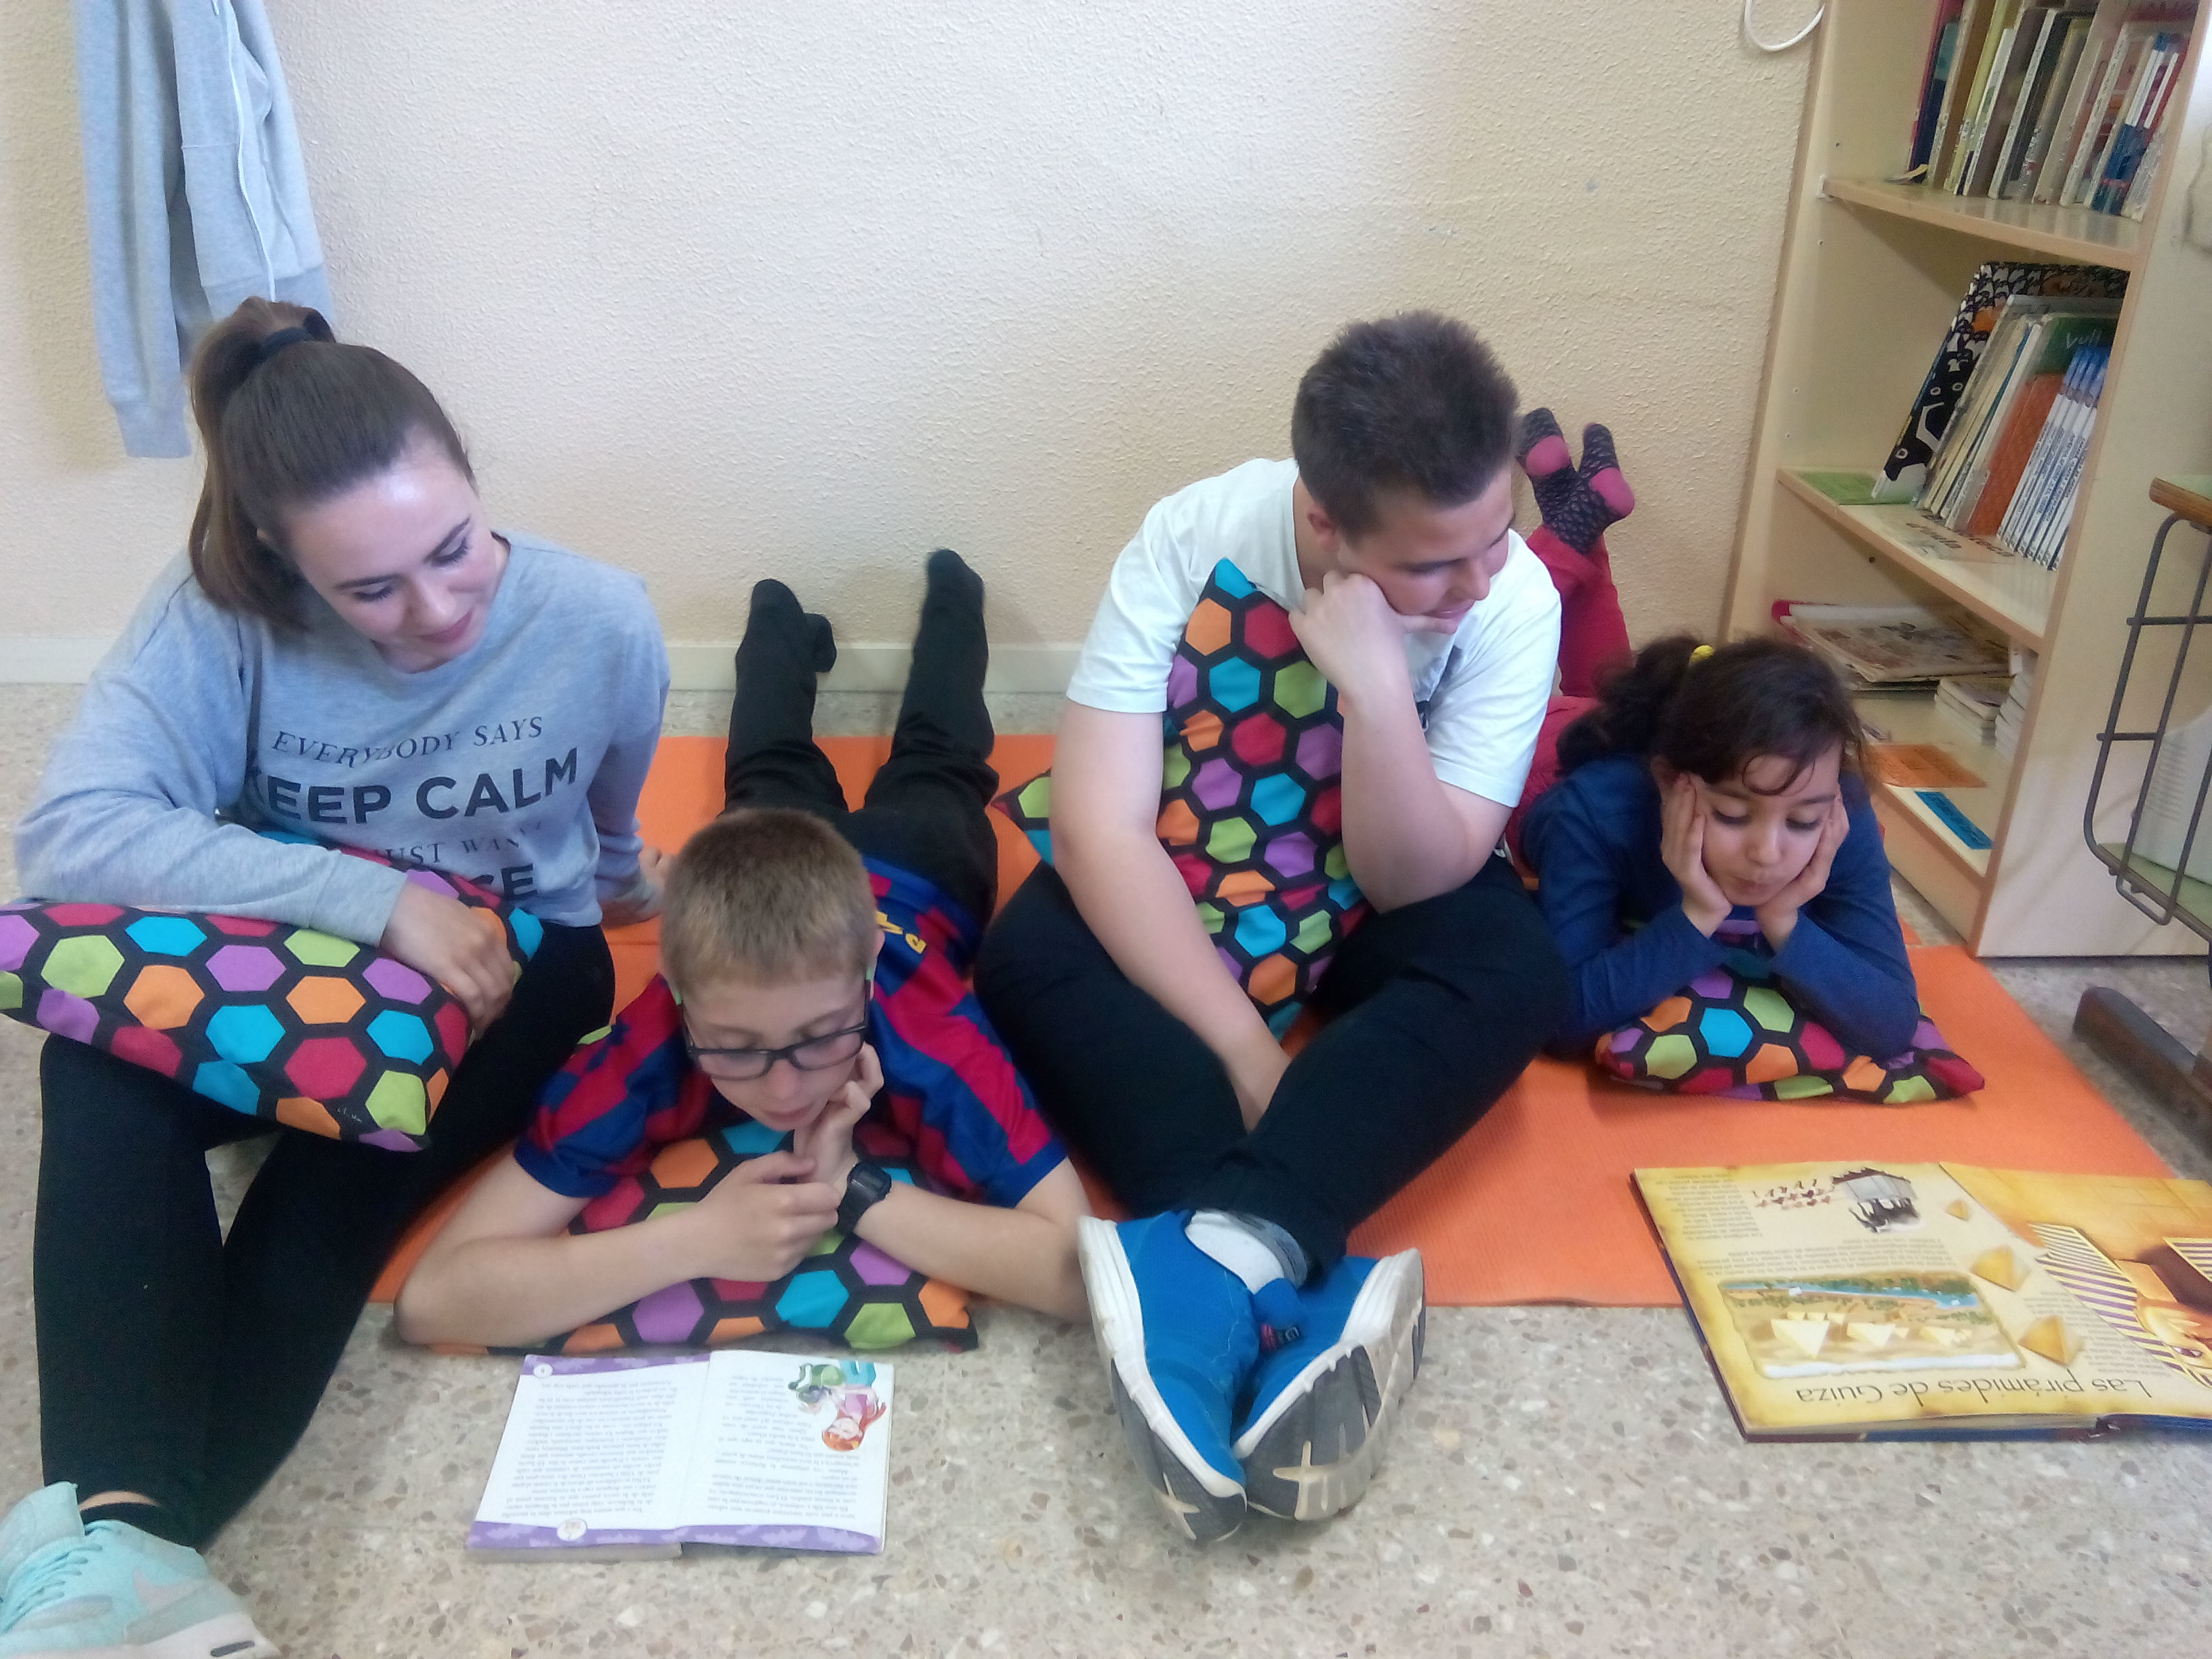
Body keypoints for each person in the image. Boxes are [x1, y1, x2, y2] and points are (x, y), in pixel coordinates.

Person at [1, 300, 666, 1656]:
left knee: (331, 1190)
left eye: (454, 548)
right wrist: (373, 900)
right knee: (97, 1072)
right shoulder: (219, 613)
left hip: (519, 962)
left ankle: (115, 1561)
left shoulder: (600, 618)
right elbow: (69, 836)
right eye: (371, 591)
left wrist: (631, 890)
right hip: (304, 950)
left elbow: (605, 836)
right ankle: (135, 1561)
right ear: (277, 558)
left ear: (474, 482)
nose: (437, 610)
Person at [975, 313, 1571, 1544]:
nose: (1479, 580)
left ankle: (1209, 1267)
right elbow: (1100, 830)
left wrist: (1376, 688)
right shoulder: (1192, 535)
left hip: (1367, 887)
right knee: (1030, 955)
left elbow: (1417, 879)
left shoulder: (1510, 595)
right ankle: (1292, 1283)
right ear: (1323, 524)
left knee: (1513, 965)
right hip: (1202, 866)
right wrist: (1251, 1053)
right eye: (1431, 566)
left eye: (1496, 533)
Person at [392, 551, 1088, 1357]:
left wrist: (851, 1187)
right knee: (768, 766)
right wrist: (695, 1241)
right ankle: (779, 615)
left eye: (822, 1036)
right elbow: (434, 1302)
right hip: (777, 865)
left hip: (916, 869)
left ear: (869, 974)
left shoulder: (930, 1030)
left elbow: (1081, 1276)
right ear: (674, 990)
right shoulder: (647, 1048)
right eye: (735, 1047)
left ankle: (953, 597)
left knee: (940, 761)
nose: (786, 1089)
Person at [1517, 630, 1922, 1061]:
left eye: (1801, 822)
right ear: (1671, 783)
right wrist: (1697, 916)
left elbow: (1892, 1023)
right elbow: (1559, 1019)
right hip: (1554, 761)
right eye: (1733, 815)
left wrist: (1784, 921)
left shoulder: (1840, 812)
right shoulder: (1594, 811)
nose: (1766, 853)